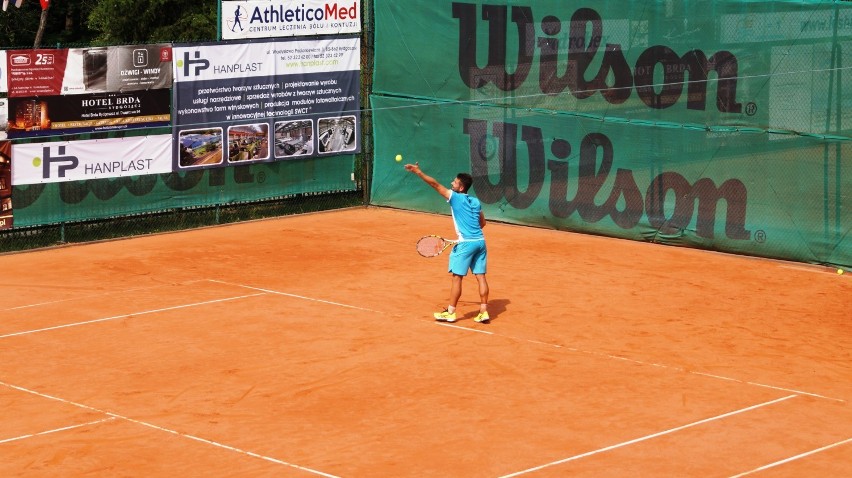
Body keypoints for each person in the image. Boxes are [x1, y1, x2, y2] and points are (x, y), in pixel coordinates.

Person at [404, 162, 490, 324]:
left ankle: (450, 312)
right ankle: (483, 312)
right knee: (481, 277)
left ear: (461, 187)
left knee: (457, 278)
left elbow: (434, 184)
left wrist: (418, 172)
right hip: (480, 242)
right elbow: (482, 223)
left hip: (466, 245)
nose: (452, 183)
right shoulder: (476, 202)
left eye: (455, 182)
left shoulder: (455, 198)